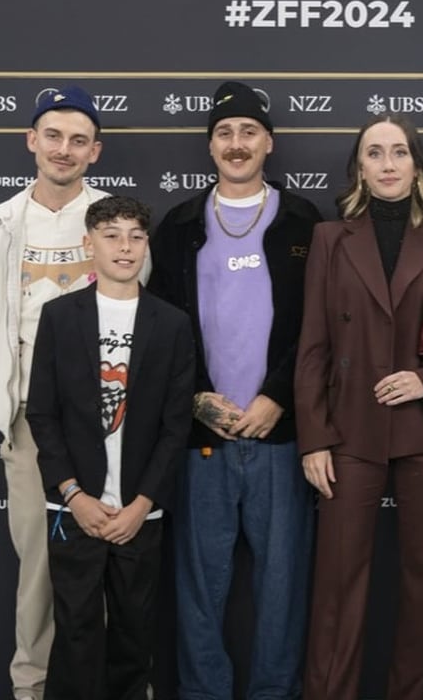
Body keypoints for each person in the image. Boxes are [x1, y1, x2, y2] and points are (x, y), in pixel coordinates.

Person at [295, 114, 423, 700]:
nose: (387, 164)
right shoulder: (330, 239)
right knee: (338, 582)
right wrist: (313, 437)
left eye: (399, 153)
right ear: (358, 168)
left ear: (417, 166)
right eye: (374, 154)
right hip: (348, 432)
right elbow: (311, 344)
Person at [147, 80, 319, 700]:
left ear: (269, 142)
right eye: (225, 133)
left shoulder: (304, 220)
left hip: (281, 437)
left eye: (249, 132)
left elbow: (317, 328)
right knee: (198, 589)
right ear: (210, 147)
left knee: (283, 588)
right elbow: (161, 330)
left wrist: (278, 396)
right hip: (203, 439)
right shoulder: (179, 227)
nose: (237, 144)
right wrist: (197, 397)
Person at [0, 85, 131, 700]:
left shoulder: (116, 223)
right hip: (32, 428)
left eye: (78, 140)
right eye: (53, 136)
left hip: (108, 424)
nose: (64, 149)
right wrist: (13, 404)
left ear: (96, 152)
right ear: (31, 141)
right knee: (38, 574)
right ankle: (32, 690)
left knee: (115, 569)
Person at [25, 196, 194, 699]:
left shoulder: (172, 323)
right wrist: (74, 495)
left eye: (135, 236)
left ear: (147, 244)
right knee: (75, 632)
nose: (124, 247)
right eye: (111, 234)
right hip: (74, 507)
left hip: (139, 512)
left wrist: (143, 504)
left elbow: (175, 425)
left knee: (133, 635)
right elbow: (42, 414)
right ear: (88, 243)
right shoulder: (59, 317)